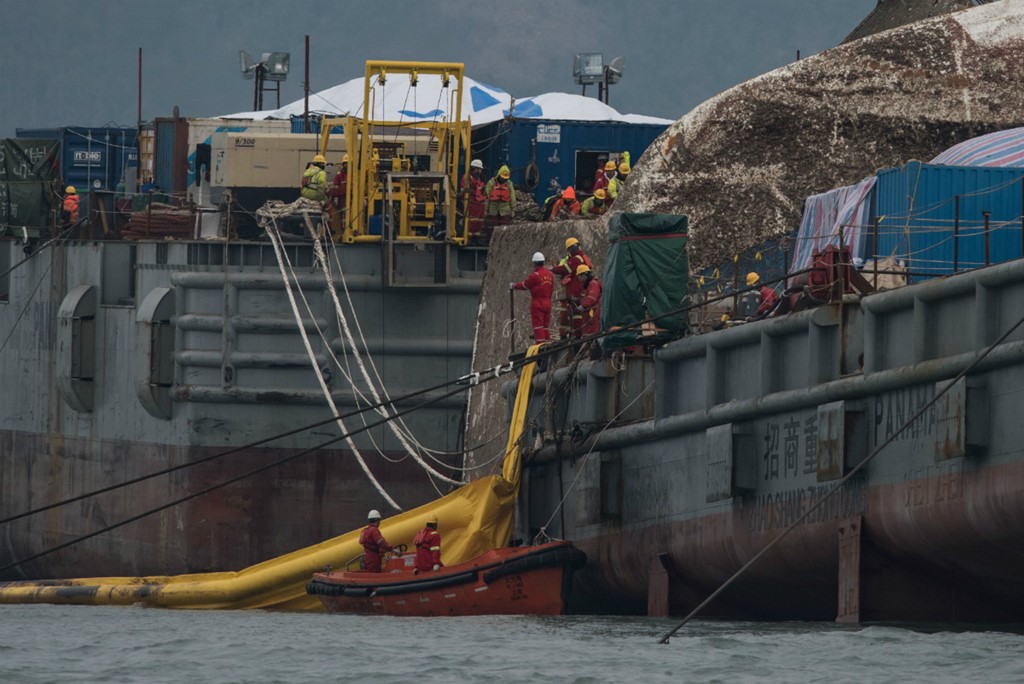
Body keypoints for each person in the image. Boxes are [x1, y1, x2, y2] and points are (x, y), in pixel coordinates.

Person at [551, 237, 593, 339]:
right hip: (575, 292)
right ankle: (575, 335)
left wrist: (552, 269)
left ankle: (572, 337)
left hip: (574, 292)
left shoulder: (576, 259)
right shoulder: (581, 258)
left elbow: (565, 268)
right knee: (575, 316)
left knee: (571, 315)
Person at [511, 252, 555, 342]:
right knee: (545, 326)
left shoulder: (535, 276)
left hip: (538, 303)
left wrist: (514, 285)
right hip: (547, 302)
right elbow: (551, 289)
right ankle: (548, 344)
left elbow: (525, 285)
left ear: (534, 263)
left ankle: (540, 345)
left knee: (538, 325)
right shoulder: (550, 275)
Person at [484, 164, 516, 239]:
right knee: (492, 228)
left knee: (505, 229)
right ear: (499, 174)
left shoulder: (509, 184)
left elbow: (512, 197)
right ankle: (491, 242)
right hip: (493, 209)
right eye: (502, 177)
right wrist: (485, 210)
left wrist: (513, 210)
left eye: (505, 178)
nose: (504, 179)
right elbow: (487, 197)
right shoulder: (491, 183)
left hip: (505, 211)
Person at [462, 159, 487, 242]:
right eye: (479, 169)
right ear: (475, 168)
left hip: (479, 203)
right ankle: (469, 237)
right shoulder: (468, 178)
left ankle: (476, 236)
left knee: (479, 221)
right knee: (472, 220)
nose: (480, 171)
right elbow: (464, 189)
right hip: (472, 202)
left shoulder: (479, 178)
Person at [574, 264, 603, 338]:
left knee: (592, 333)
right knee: (588, 333)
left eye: (579, 276)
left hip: (594, 314)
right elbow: (585, 298)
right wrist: (576, 300)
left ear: (584, 275)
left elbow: (591, 298)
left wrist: (582, 306)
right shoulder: (588, 285)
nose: (579, 279)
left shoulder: (593, 284)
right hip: (589, 315)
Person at [329, 154, 348, 224]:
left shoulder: (354, 175)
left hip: (352, 199)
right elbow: (335, 186)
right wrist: (336, 197)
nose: (347, 166)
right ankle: (343, 228)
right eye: (346, 164)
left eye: (348, 164)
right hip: (342, 199)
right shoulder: (339, 176)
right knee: (343, 214)